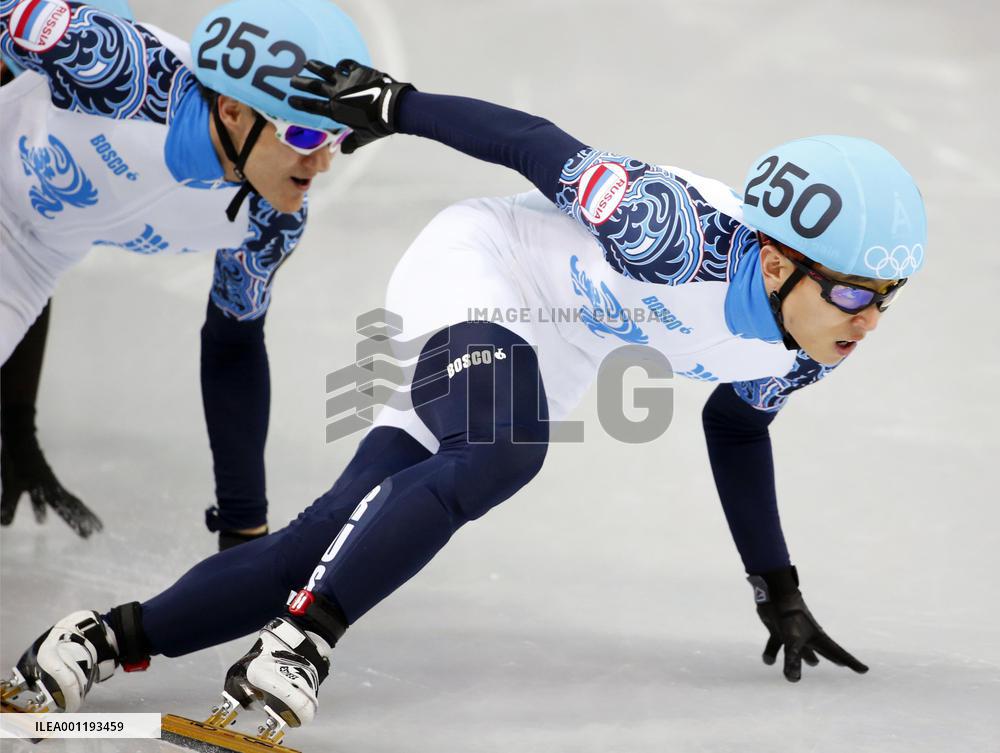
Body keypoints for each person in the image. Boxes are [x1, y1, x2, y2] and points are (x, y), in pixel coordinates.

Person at [1, 60, 926, 732]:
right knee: (499, 450)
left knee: (325, 541)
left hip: (567, 337)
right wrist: (396, 105)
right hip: (486, 268)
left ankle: (95, 638)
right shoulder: (671, 231)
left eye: (886, 299)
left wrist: (777, 584)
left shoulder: (808, 346)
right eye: (853, 291)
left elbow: (734, 426)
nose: (869, 321)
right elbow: (532, 145)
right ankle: (302, 644)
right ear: (775, 257)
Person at [0, 0, 368, 548]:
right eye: (304, 137)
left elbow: (232, 348)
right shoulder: (119, 68)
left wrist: (244, 534)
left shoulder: (268, 220)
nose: (322, 164)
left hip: (29, 258)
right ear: (233, 112)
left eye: (336, 138)